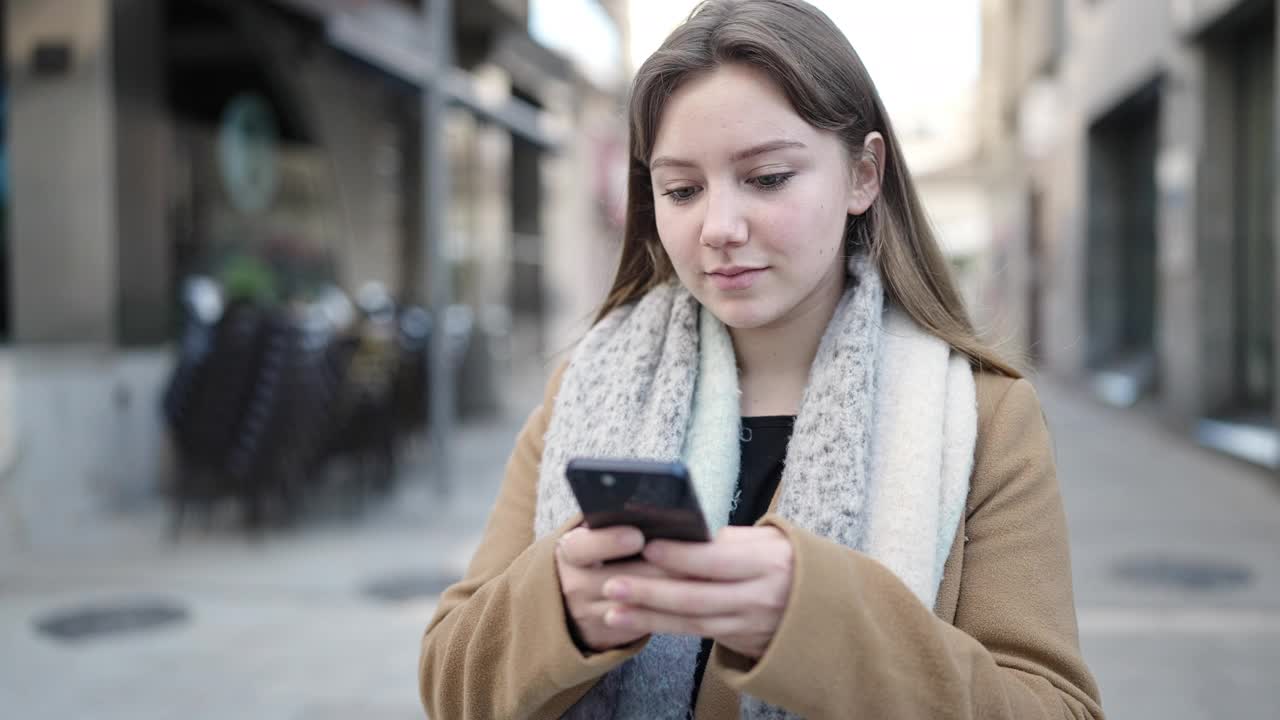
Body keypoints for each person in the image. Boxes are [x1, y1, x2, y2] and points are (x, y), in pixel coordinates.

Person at [418, 1, 1104, 717]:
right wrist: (560, 608)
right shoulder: (584, 384)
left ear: (863, 175)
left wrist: (819, 623)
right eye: (682, 189)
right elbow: (449, 683)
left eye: (768, 177)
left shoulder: (985, 418)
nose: (719, 228)